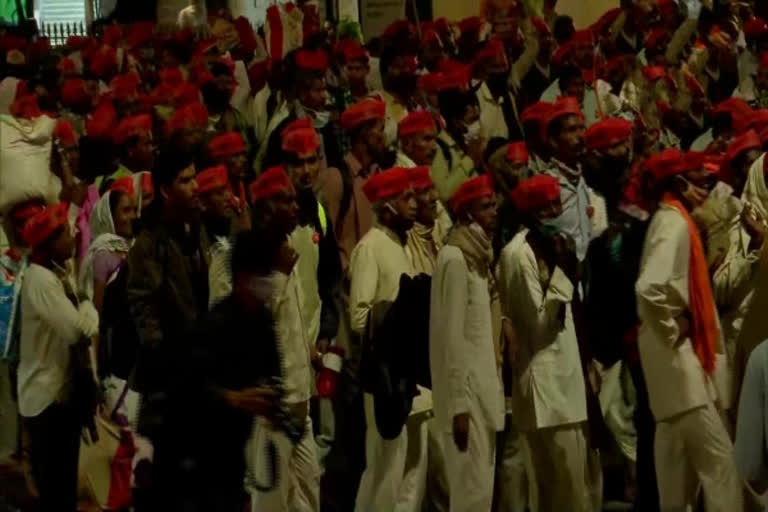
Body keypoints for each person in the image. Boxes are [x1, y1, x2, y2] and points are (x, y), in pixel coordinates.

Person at [635, 148, 743, 511]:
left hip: (670, 377)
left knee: (675, 487)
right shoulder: (674, 222)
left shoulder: (671, 219)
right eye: (703, 182)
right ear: (681, 184)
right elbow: (648, 288)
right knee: (721, 468)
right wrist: (672, 328)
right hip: (680, 374)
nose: (709, 190)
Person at [165, 228, 284, 511]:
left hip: (235, 453)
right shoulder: (214, 325)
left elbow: (272, 371)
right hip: (196, 454)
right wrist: (233, 398)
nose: (269, 283)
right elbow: (186, 391)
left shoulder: (264, 323)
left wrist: (272, 404)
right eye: (263, 274)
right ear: (243, 277)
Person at [499, 175, 595, 512]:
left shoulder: (551, 247)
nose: (559, 212)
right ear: (536, 212)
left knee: (576, 488)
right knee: (562, 494)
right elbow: (538, 327)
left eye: (559, 204)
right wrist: (563, 275)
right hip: (547, 392)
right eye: (551, 206)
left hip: (567, 387)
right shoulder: (518, 253)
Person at [247, 165, 321, 512]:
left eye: (294, 200)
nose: (295, 207)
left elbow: (293, 316)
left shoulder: (289, 246)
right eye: (285, 200)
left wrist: (309, 353)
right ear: (264, 209)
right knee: (273, 501)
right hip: (272, 404)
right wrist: (278, 275)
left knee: (308, 493)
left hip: (300, 396)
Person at [430, 174, 505, 511]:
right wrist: (459, 406)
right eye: (485, 206)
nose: (494, 212)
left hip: (484, 393)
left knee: (480, 495)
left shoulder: (478, 257)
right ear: (467, 213)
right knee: (469, 498)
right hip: (467, 400)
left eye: (494, 204)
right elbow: (451, 337)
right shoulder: (455, 258)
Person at [17, 202, 99, 511]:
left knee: (63, 489)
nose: (75, 232)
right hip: (46, 400)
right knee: (55, 492)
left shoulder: (58, 272)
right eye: (67, 231)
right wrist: (90, 309)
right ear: (51, 241)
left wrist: (85, 308)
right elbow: (76, 330)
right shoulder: (41, 280)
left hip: (60, 398)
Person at [349, 166, 421, 511]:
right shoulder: (370, 248)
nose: (415, 203)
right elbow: (360, 317)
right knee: (382, 468)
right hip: (382, 378)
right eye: (406, 197)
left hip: (402, 374)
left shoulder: (399, 247)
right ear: (387, 206)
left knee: (402, 470)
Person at [543, 96, 592, 261]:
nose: (580, 136)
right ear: (553, 141)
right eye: (571, 130)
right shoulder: (547, 184)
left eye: (581, 128)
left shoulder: (583, 178)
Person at [78, 182, 137, 310]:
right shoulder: (103, 254)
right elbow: (97, 308)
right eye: (126, 210)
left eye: (134, 210)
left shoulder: (135, 246)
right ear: (109, 216)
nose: (133, 216)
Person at [431, 88, 484, 204]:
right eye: (473, 120)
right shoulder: (439, 149)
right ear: (456, 122)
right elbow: (443, 193)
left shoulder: (468, 145)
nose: (478, 125)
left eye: (478, 118)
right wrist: (469, 160)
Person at [195, 165, 235, 308]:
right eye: (219, 193)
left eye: (227, 190)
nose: (228, 198)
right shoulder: (196, 242)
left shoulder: (236, 227)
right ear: (203, 203)